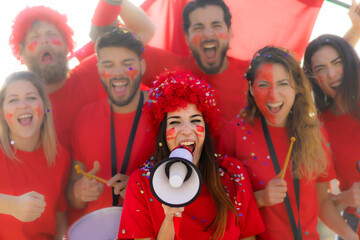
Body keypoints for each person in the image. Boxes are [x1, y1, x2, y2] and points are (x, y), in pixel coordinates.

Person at [219, 46, 358, 239]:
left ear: (296, 87)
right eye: (264, 84)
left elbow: (322, 201)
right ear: (251, 88)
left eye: (283, 83)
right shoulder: (235, 132)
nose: (274, 95)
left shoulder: (315, 131)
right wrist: (260, 198)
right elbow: (221, 203)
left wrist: (351, 236)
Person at [117, 70, 264, 240]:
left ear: (206, 129)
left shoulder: (233, 173)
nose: (187, 131)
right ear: (162, 132)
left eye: (195, 120)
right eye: (175, 122)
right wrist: (169, 219)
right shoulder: (142, 183)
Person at [90, 0, 249, 140]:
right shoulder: (170, 70)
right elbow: (103, 36)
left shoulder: (255, 74)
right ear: (186, 36)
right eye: (198, 27)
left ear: (230, 32)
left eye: (216, 25)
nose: (207, 34)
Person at [8, 0, 154, 150]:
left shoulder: (98, 68)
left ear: (67, 45)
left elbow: (145, 31)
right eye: (34, 38)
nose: (44, 40)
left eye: (51, 34)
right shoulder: (21, 111)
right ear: (21, 53)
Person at [66, 28, 156, 223]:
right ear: (99, 69)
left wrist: (141, 185)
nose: (117, 73)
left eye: (127, 64)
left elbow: (190, 178)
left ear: (142, 66)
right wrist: (79, 191)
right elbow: (73, 196)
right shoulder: (84, 118)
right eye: (109, 64)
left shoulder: (165, 112)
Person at [0, 71, 71, 240]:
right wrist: (11, 205)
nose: (23, 105)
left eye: (31, 97)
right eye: (13, 100)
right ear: (3, 113)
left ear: (45, 107)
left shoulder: (61, 157)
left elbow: (60, 219)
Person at [304, 34, 360, 238]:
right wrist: (346, 198)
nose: (332, 74)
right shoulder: (318, 127)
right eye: (320, 69)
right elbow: (321, 202)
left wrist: (355, 27)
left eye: (338, 63)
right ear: (314, 79)